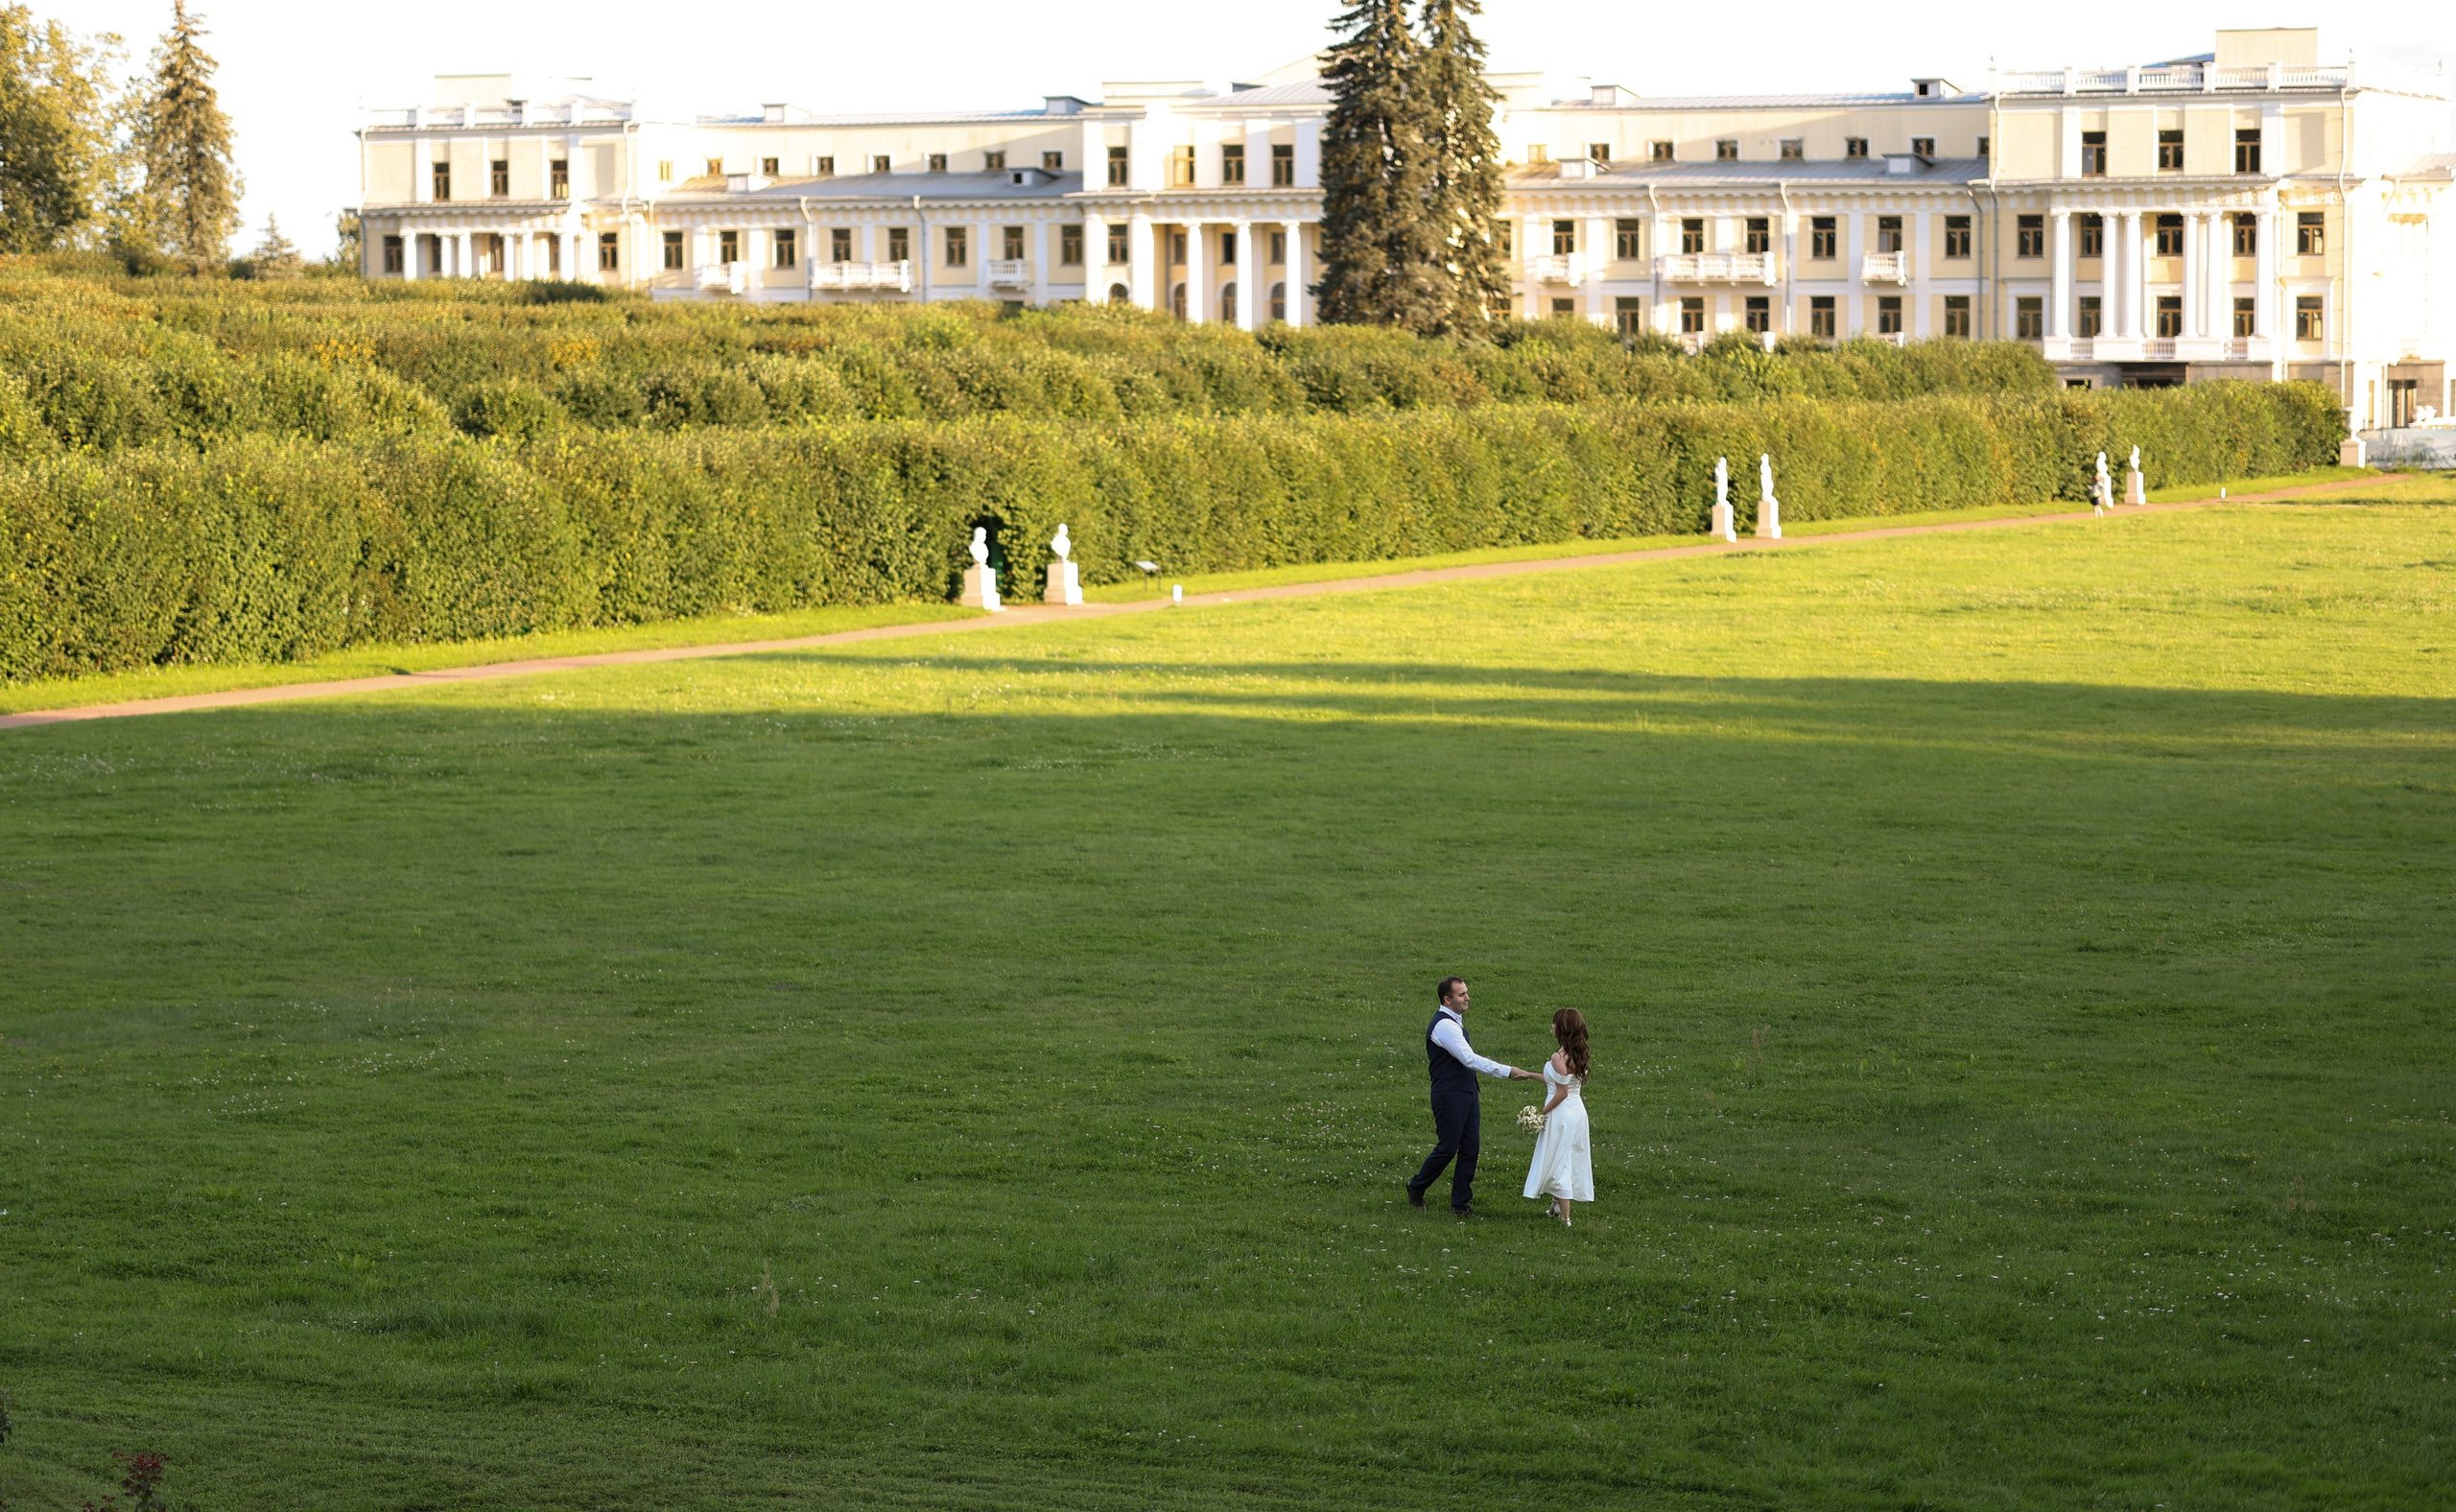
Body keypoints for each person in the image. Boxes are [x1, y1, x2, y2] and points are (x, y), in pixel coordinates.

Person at [1406, 977, 1538, 1218]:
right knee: (1447, 1148)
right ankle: (1416, 1186)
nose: (1467, 997)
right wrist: (1508, 1071)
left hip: (1466, 1092)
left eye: (1466, 993)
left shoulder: (1454, 1022)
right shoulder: (1444, 1026)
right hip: (1450, 1095)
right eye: (1460, 994)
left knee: (1470, 1148)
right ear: (1447, 1000)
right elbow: (1469, 1059)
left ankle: (1460, 1205)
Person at [1523, 1008, 1594, 1226]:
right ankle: (1555, 1204)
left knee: (1559, 1159)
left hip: (1561, 1114)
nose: (1551, 1027)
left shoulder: (1558, 1057)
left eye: (1554, 1023)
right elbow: (1557, 1081)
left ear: (1562, 1028)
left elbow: (1560, 1092)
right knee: (1567, 1155)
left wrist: (1540, 1113)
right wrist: (1528, 1075)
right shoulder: (1575, 1054)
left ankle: (1566, 1218)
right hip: (1577, 1111)